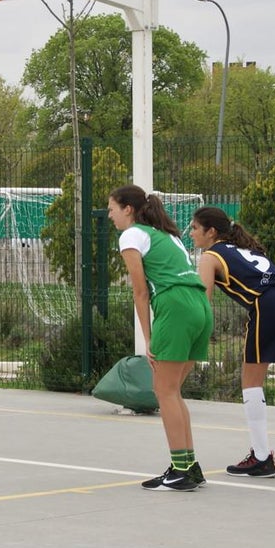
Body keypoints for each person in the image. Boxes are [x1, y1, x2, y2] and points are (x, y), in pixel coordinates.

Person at [190, 206, 275, 480]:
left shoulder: (210, 256)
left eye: (194, 228)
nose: (190, 233)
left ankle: (261, 458)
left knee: (251, 381)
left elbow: (202, 300)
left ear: (210, 231)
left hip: (269, 304)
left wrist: (193, 331)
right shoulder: (245, 248)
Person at [108, 185, 214, 492]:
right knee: (172, 391)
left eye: (112, 208)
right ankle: (189, 466)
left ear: (128, 209)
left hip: (176, 307)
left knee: (163, 391)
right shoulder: (168, 235)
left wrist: (148, 338)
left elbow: (140, 292)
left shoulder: (132, 235)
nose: (110, 214)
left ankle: (181, 470)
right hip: (200, 306)